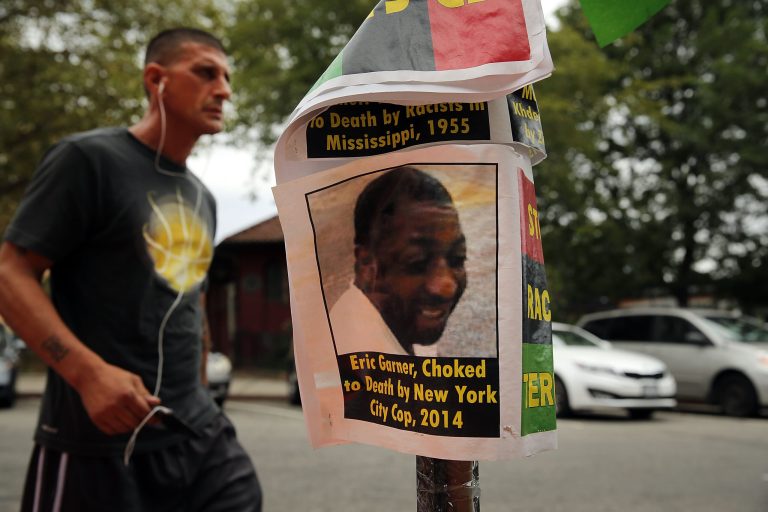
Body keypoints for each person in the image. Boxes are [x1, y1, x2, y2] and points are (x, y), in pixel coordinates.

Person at [0, 28, 262, 511]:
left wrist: (202, 391)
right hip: (97, 443)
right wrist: (88, 375)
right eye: (206, 72)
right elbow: (10, 273)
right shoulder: (89, 160)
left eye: (226, 77)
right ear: (156, 79)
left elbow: (191, 300)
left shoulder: (201, 196)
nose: (224, 89)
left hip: (197, 433)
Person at [329, 166, 467, 356]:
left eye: (457, 259)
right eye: (417, 262)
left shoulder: (409, 335)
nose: (446, 286)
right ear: (366, 264)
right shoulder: (341, 350)